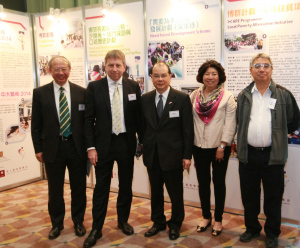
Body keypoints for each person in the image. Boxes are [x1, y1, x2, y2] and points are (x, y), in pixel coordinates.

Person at [236, 53, 300, 248]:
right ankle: (252, 228)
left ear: (271, 69)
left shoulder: (284, 94)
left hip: (273, 155)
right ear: (251, 71)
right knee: (249, 196)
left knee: (273, 197)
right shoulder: (244, 95)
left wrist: (278, 136)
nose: (261, 69)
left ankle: (272, 232)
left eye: (265, 65)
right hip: (248, 155)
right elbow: (240, 121)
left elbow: (294, 121)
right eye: (257, 66)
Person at [83, 50, 143, 248]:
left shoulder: (133, 86)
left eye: (118, 65)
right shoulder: (94, 87)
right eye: (111, 65)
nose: (115, 69)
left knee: (126, 185)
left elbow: (138, 118)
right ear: (105, 66)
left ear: (124, 67)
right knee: (101, 188)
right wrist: (91, 147)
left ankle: (122, 220)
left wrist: (141, 141)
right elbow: (88, 120)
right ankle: (96, 228)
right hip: (103, 145)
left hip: (126, 143)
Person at [31, 56, 87, 240]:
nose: (61, 72)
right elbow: (36, 124)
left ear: (70, 70)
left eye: (64, 69)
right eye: (56, 69)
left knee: (78, 188)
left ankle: (78, 222)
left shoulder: (81, 92)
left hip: (76, 147)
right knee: (55, 189)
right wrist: (38, 148)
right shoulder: (40, 93)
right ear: (50, 71)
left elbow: (87, 123)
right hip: (52, 148)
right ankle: (57, 223)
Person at [141, 62, 194, 240]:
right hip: (153, 155)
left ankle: (175, 224)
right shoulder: (145, 99)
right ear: (152, 78)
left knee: (175, 193)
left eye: (164, 75)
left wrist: (187, 155)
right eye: (156, 75)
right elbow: (143, 127)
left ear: (170, 76)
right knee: (155, 192)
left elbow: (187, 129)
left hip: (174, 155)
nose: (160, 79)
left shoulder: (181, 98)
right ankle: (157, 222)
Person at [190, 60, 236, 236]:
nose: (210, 77)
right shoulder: (194, 95)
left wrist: (223, 145)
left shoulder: (227, 97)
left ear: (220, 77)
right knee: (203, 183)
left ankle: (218, 219)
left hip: (219, 148)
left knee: (218, 183)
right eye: (207, 74)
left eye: (214, 74)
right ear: (202, 76)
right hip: (198, 146)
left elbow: (230, 124)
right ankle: (206, 216)